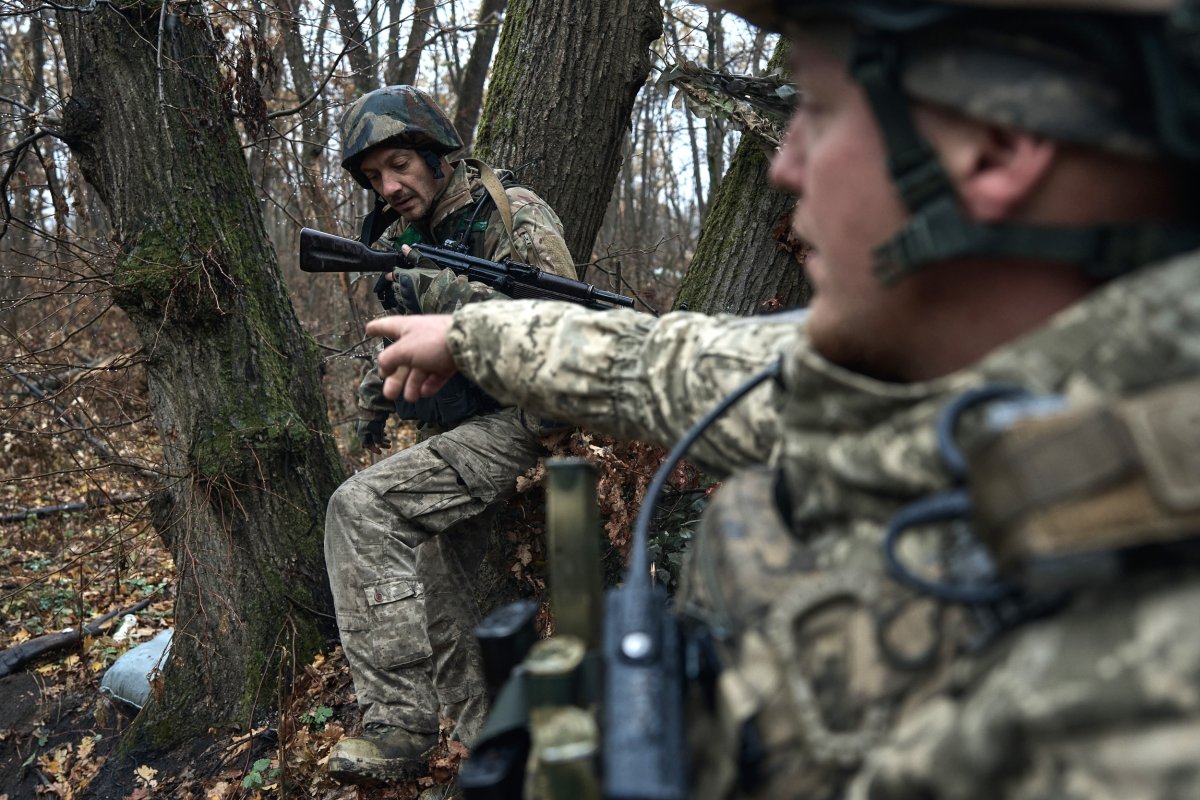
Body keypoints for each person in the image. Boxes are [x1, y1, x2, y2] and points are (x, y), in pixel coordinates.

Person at [366, 3, 1200, 799]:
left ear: (995, 147)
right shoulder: (934, 370)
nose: (784, 164)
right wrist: (472, 337)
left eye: (824, 110)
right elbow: (675, 363)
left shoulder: (1143, 704)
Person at [323, 85, 578, 786]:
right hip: (466, 427)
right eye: (375, 177)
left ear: (438, 155)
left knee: (363, 508)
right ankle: (486, 758)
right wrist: (360, 426)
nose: (390, 185)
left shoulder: (510, 215)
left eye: (400, 164)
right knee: (446, 611)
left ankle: (398, 725)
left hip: (530, 421)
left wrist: (439, 294)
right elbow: (398, 349)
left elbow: (563, 335)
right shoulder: (410, 239)